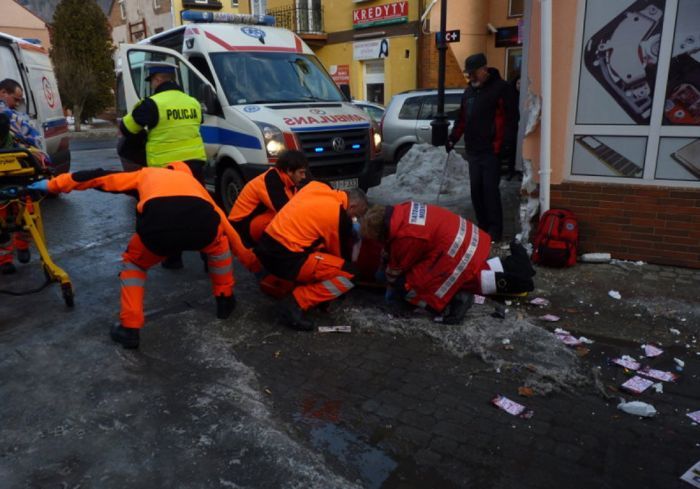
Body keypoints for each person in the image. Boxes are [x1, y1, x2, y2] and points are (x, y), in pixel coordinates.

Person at [28, 162, 257, 349]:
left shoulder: (146, 174)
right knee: (219, 247)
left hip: (158, 229)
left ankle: (129, 328)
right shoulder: (195, 186)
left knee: (135, 265)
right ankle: (225, 299)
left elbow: (96, 176)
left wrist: (52, 185)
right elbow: (227, 226)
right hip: (203, 225)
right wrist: (253, 265)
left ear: (166, 169)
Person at [361, 203, 535, 325]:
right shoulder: (402, 210)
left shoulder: (404, 237)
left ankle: (454, 300)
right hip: (467, 239)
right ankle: (514, 266)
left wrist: (388, 273)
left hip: (454, 250)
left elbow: (399, 269)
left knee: (412, 284)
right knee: (469, 271)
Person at [120, 61, 207, 269]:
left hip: (165, 169)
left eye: (152, 81)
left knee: (169, 215)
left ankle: (173, 258)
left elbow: (126, 127)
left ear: (158, 79)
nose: (152, 85)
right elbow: (196, 123)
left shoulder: (152, 103)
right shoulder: (192, 102)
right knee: (199, 211)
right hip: (194, 166)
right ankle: (209, 258)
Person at [254, 182, 369, 331]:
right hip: (285, 258)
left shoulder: (318, 187)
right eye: (356, 216)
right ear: (352, 206)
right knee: (349, 273)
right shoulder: (339, 217)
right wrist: (336, 292)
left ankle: (278, 281)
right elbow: (338, 256)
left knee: (318, 251)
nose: (354, 219)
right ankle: (295, 303)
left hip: (266, 245)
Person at [446, 53, 518, 243]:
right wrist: (453, 138)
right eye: (468, 74)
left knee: (490, 191)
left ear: (484, 70)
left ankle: (495, 230)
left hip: (491, 151)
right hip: (474, 150)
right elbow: (463, 119)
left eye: (473, 73)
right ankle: (483, 227)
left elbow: (511, 120)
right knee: (476, 191)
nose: (470, 77)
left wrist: (505, 146)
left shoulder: (501, 89)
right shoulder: (469, 92)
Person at [0, 78, 44, 274]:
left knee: (21, 208)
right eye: (15, 99)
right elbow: (32, 138)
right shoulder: (10, 117)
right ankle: (6, 257)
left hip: (16, 170)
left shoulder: (14, 117)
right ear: (3, 92)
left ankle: (18, 248)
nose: (17, 103)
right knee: (11, 211)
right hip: (11, 169)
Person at [228, 150, 309, 248]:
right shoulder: (271, 181)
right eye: (301, 173)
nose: (304, 176)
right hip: (241, 230)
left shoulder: (287, 180)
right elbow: (286, 212)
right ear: (289, 171)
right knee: (285, 221)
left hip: (251, 223)